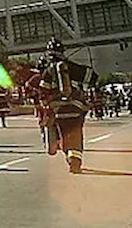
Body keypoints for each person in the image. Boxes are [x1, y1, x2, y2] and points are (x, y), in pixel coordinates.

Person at [37, 38, 96, 174]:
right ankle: (75, 161)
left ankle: (69, 157)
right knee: (76, 134)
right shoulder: (73, 67)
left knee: (64, 135)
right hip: (77, 109)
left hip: (59, 111)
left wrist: (47, 106)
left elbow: (43, 93)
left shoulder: (48, 72)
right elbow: (93, 77)